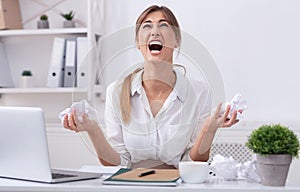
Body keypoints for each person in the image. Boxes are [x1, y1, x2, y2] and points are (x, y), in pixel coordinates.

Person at [63, 5, 239, 169]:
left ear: (177, 40)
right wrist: (93, 130)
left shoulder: (199, 92)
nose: (155, 31)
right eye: (147, 26)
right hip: (132, 185)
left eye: (164, 25)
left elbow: (191, 162)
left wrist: (209, 129)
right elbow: (118, 162)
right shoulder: (115, 92)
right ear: (138, 43)